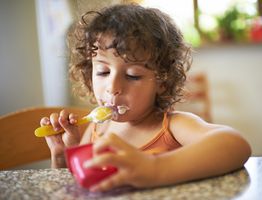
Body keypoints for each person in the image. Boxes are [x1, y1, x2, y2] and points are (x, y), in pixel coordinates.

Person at [40, 3, 251, 192]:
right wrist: (62, 157)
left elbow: (235, 144)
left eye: (133, 76)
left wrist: (155, 169)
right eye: (103, 72)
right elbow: (85, 186)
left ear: (162, 82)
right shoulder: (97, 130)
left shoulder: (171, 127)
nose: (113, 88)